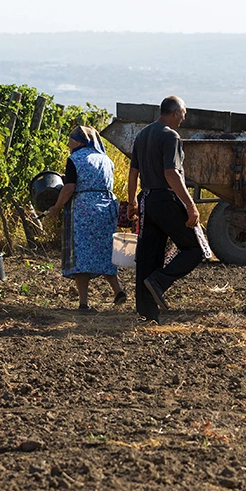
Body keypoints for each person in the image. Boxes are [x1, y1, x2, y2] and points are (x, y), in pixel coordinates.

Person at [126, 96, 203, 323]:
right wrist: (190, 205)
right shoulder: (170, 136)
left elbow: (133, 173)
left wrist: (132, 203)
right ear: (175, 112)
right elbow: (172, 173)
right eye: (183, 113)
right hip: (164, 199)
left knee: (148, 255)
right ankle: (160, 281)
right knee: (194, 248)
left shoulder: (143, 135)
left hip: (146, 200)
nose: (184, 117)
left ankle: (147, 313)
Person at [45, 125, 126, 312]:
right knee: (105, 251)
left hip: (83, 209)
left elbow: (69, 188)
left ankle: (83, 303)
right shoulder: (106, 159)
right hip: (106, 207)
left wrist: (57, 207)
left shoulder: (74, 159)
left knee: (80, 254)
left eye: (71, 140)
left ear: (81, 141)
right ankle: (118, 290)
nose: (68, 144)